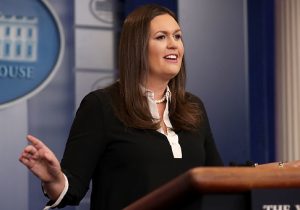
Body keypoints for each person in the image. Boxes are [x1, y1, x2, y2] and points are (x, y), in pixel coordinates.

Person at [19, 4, 300, 210]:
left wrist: (283, 168)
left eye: (178, 36)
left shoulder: (193, 108)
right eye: (161, 36)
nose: (174, 44)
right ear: (137, 47)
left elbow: (218, 180)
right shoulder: (102, 106)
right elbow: (72, 189)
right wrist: (55, 179)